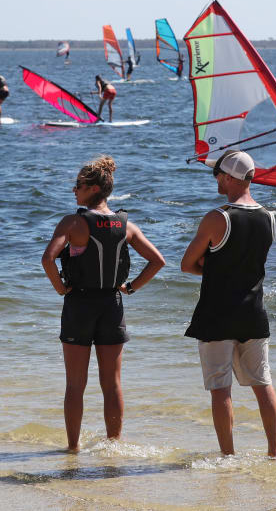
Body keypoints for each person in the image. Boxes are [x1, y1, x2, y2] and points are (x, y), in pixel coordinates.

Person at [41, 156, 165, 452]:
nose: (74, 190)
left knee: (75, 385)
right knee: (112, 384)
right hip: (113, 304)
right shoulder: (126, 225)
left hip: (79, 304)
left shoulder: (73, 223)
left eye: (79, 185)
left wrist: (61, 288)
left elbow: (48, 259)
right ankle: (114, 447)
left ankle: (72, 449)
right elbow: (158, 261)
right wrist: (131, 287)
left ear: (93, 188)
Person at [181, 150, 276, 458]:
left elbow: (187, 264)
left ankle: (228, 457)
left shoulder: (217, 217)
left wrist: (211, 272)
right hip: (254, 313)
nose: (215, 180)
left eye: (217, 175)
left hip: (217, 315)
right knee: (263, 385)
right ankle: (275, 454)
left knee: (220, 390)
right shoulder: (269, 217)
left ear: (228, 178)